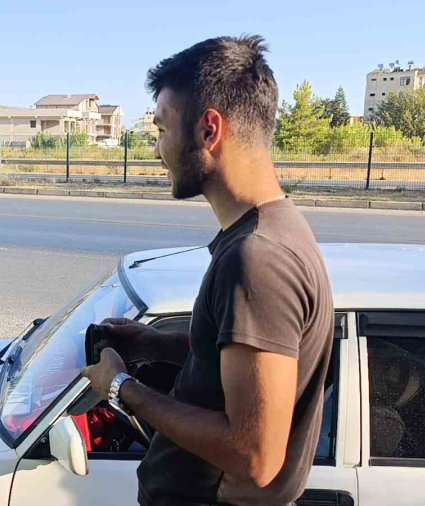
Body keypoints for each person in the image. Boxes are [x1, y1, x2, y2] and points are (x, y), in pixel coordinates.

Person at [83, 35, 334, 506]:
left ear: (208, 130)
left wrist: (121, 387)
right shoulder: (271, 230)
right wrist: (154, 344)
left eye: (161, 129)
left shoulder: (258, 258)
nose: (157, 150)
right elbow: (240, 370)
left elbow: (254, 456)